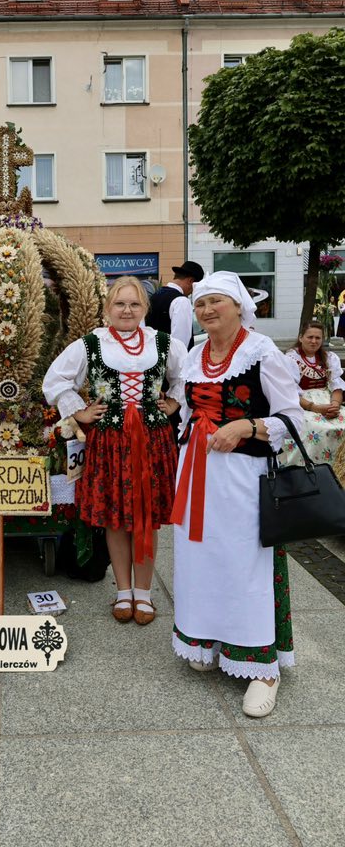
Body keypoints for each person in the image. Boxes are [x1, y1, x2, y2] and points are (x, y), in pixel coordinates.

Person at [170, 271, 303, 718]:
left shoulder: (262, 352)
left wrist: (247, 425)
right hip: (197, 473)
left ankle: (263, 669)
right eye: (200, 303)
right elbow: (187, 411)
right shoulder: (194, 354)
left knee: (244, 560)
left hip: (245, 478)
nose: (207, 310)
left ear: (240, 307)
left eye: (216, 302)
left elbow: (293, 418)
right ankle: (208, 640)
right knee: (200, 557)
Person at [43, 275, 186, 625]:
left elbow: (187, 376)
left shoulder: (163, 343)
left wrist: (174, 401)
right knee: (116, 518)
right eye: (120, 303)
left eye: (134, 304)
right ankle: (123, 590)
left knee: (146, 516)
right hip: (110, 441)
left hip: (151, 440)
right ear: (108, 307)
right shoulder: (91, 343)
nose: (127, 310)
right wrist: (79, 410)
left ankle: (144, 592)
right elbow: (55, 380)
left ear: (145, 308)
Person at [280, 320, 345, 468]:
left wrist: (335, 405)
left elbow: (336, 386)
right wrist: (314, 407)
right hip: (301, 403)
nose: (314, 341)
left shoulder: (329, 358)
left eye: (318, 338)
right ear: (301, 337)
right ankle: (311, 466)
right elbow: (288, 391)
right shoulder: (291, 359)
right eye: (310, 337)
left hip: (327, 399)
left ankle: (339, 469)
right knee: (317, 428)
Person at [145, 260, 205, 349]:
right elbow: (180, 344)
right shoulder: (181, 301)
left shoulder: (155, 296)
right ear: (190, 281)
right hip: (170, 356)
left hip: (151, 353)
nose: (192, 292)